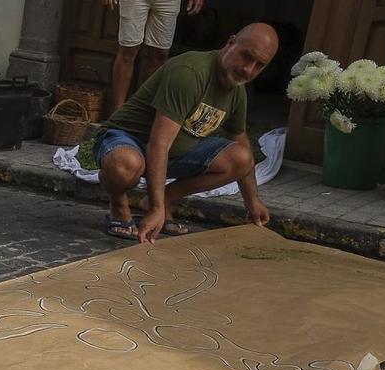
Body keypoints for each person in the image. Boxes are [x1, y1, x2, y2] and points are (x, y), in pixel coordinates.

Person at [94, 24, 277, 244]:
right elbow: (158, 144)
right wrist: (157, 209)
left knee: (241, 159)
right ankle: (119, 204)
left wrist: (253, 201)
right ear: (231, 43)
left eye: (259, 65)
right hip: (127, 140)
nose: (248, 69)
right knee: (125, 165)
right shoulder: (190, 73)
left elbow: (240, 140)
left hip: (173, 153)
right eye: (246, 57)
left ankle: (158, 200)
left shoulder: (237, 92)